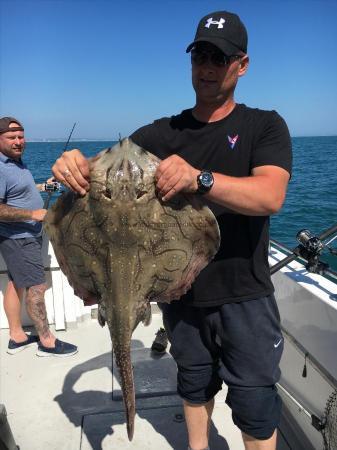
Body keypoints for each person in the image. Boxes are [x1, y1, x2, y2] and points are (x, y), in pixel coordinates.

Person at [51, 10, 292, 450]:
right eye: (200, 54)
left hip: (245, 294)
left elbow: (270, 196)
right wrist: (74, 165)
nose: (207, 66)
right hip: (180, 296)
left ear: (242, 64)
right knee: (194, 385)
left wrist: (199, 178)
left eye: (219, 57)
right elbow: (105, 171)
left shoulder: (265, 125)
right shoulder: (160, 132)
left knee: (255, 402)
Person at [0, 117, 78, 357]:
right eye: (11, 137)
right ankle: (46, 341)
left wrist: (43, 187)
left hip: (21, 236)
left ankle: (17, 335)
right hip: (20, 237)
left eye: (21, 137)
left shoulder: (16, 164)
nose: (18, 142)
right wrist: (33, 213)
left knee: (16, 284)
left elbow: (16, 191)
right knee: (37, 287)